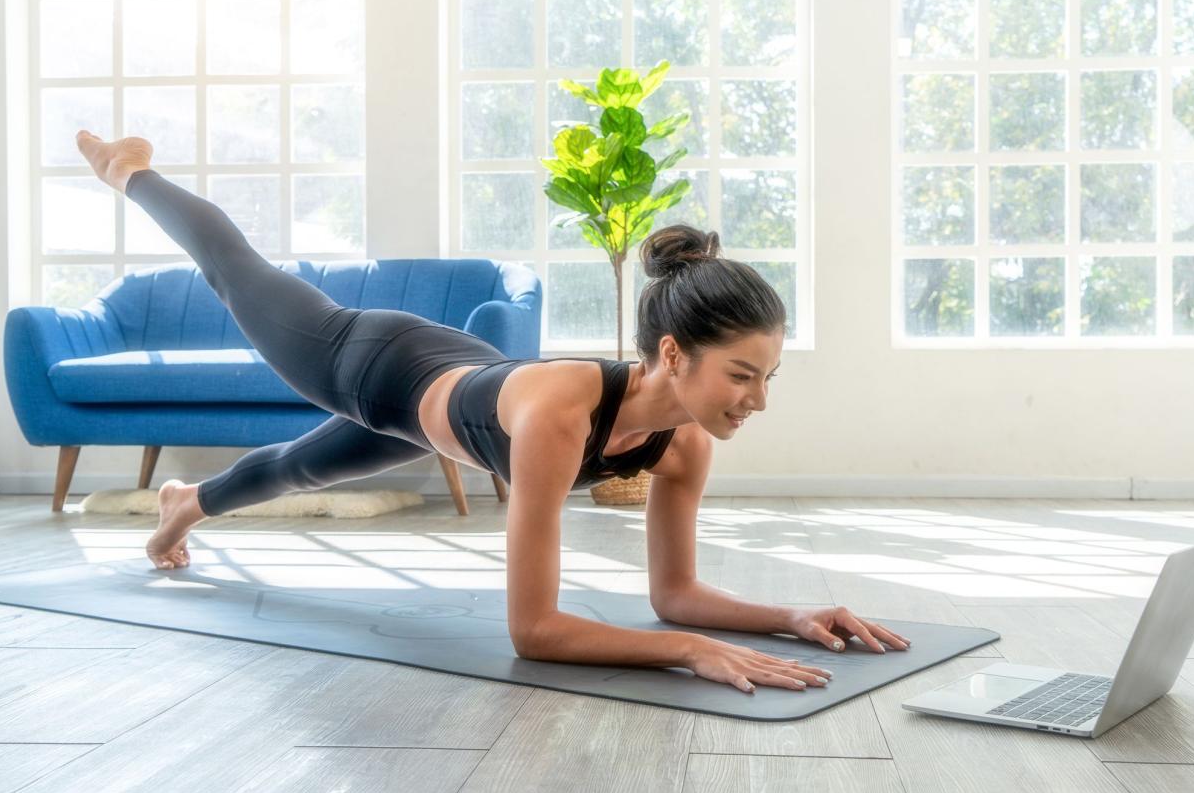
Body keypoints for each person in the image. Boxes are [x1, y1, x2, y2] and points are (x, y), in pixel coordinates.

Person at [74, 131, 910, 695]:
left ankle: (184, 503)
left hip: (450, 380)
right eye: (742, 375)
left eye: (767, 378)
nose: (756, 401)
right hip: (367, 358)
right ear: (671, 355)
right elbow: (534, 629)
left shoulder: (683, 446)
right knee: (234, 269)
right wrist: (687, 652)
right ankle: (129, 170)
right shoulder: (560, 417)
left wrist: (790, 615)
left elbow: (677, 593)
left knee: (297, 467)